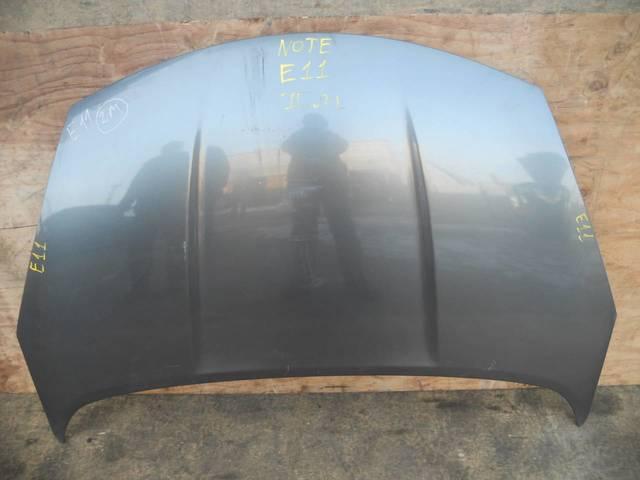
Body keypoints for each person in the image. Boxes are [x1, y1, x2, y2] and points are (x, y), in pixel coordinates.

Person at [282, 114, 367, 292]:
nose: (314, 127)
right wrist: (323, 154)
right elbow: (343, 145)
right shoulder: (327, 137)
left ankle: (305, 278)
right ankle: (355, 278)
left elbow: (287, 146)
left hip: (309, 185)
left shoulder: (299, 137)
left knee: (306, 232)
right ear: (323, 124)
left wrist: (309, 154)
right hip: (329, 185)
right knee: (342, 230)